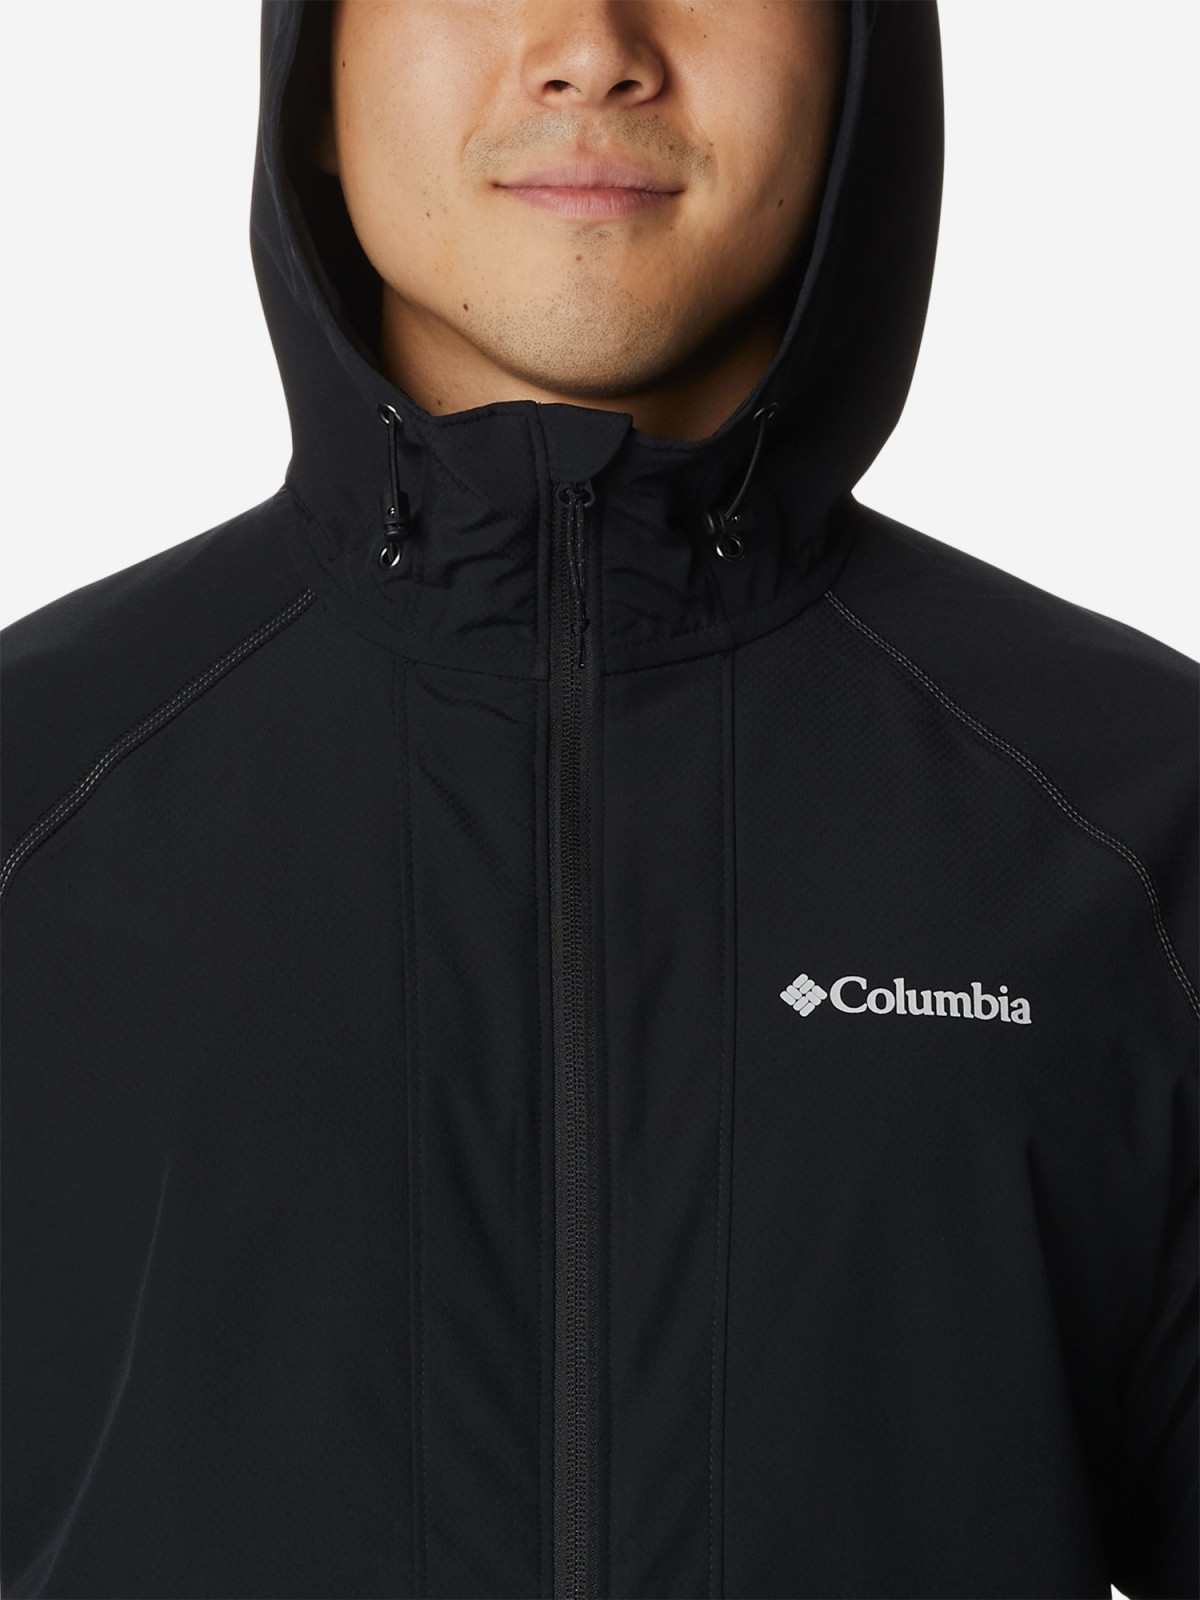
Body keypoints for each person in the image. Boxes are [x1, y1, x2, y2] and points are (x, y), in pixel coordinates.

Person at [1, 2, 1195, 1596]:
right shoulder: (30, 796)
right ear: (314, 72)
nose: (591, 46)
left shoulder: (1143, 817)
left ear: (860, 56)